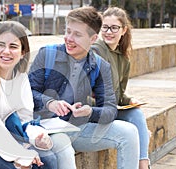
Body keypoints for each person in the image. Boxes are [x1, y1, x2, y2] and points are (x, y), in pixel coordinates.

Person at [28, 6, 140, 169]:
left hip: (77, 127)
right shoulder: (47, 54)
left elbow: (110, 109)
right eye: (68, 31)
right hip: (45, 128)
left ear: (93, 39)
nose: (69, 38)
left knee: (129, 132)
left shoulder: (101, 66)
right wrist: (49, 102)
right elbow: (27, 92)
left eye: (77, 35)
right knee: (64, 149)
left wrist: (90, 112)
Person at [0, 22, 76, 169]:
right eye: (1, 45)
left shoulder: (21, 78)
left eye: (13, 47)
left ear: (22, 53)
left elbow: (24, 119)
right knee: (14, 167)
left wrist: (37, 138)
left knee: (48, 159)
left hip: (4, 138)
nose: (6, 51)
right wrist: (19, 154)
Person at [92, 6, 151, 169]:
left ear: (124, 30)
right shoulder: (95, 51)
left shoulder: (123, 58)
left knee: (137, 114)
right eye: (105, 27)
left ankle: (143, 164)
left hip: (112, 108)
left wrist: (130, 100)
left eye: (114, 27)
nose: (109, 32)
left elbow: (120, 93)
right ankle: (144, 166)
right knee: (133, 129)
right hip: (96, 110)